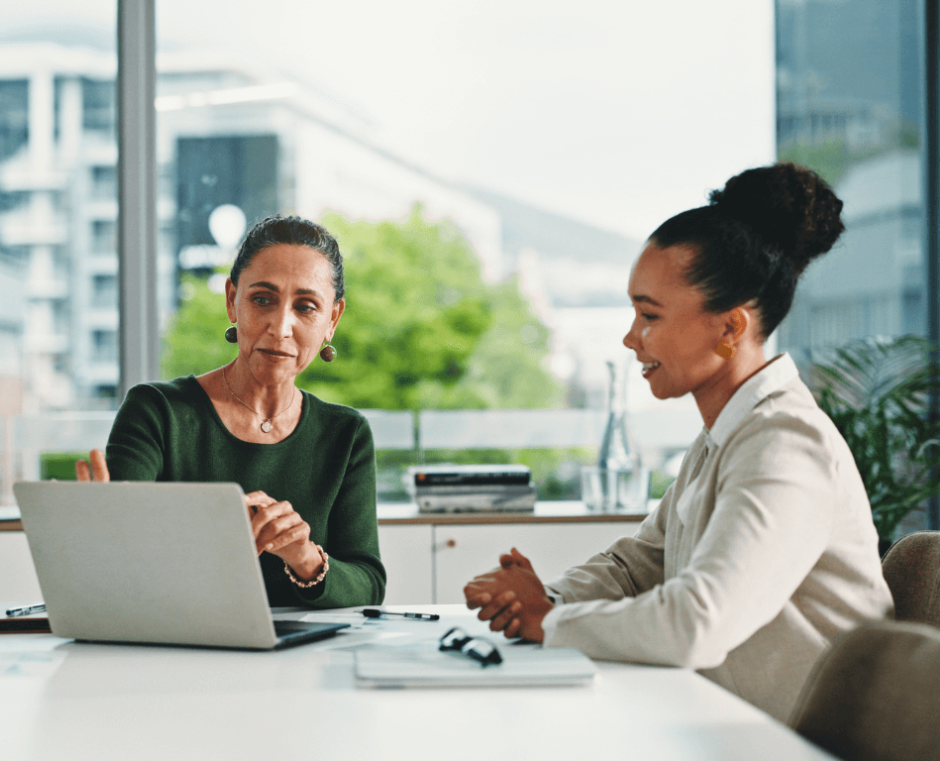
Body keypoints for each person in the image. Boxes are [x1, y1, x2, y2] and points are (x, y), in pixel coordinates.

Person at [463, 163, 894, 722]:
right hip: (728, 721)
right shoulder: (727, 435)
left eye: (649, 315)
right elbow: (638, 564)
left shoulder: (786, 444)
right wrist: (551, 597)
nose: (629, 336)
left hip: (801, 742)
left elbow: (698, 621)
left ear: (730, 328)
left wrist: (548, 620)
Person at [76, 215, 385, 608]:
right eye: (262, 299)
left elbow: (368, 583)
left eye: (306, 307)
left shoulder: (347, 434)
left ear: (332, 320)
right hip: (178, 645)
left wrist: (305, 556)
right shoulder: (155, 413)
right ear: (231, 301)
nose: (280, 326)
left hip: (304, 658)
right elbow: (119, 562)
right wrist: (97, 533)